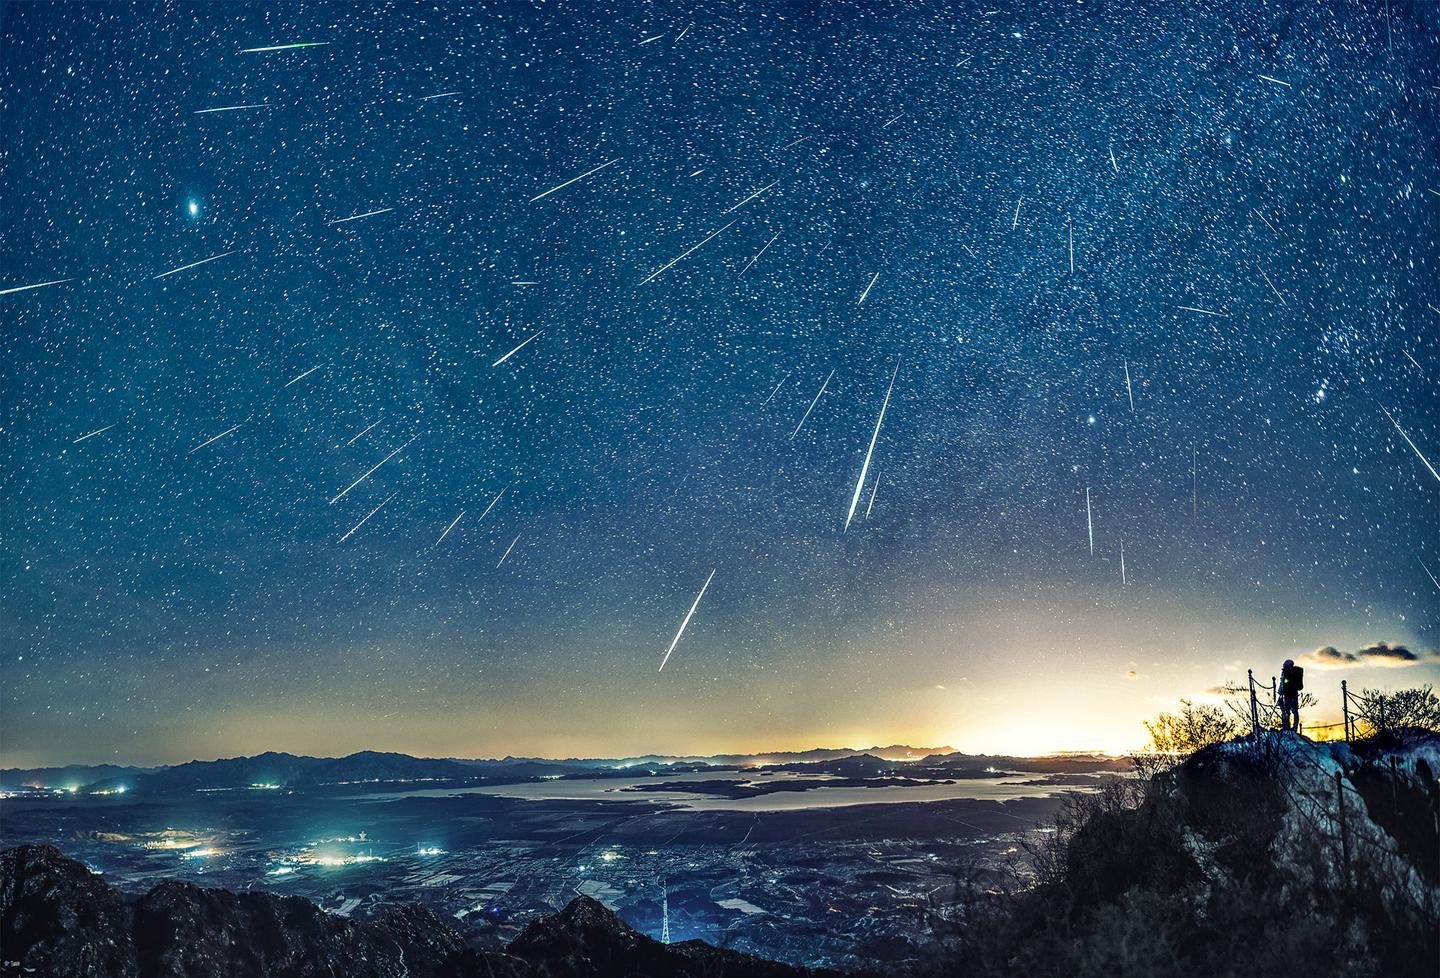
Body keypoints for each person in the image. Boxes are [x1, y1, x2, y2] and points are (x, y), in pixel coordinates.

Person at [1278, 659, 1304, 733]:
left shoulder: (1293, 672)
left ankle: (1293, 727)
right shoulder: (1285, 672)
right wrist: (1280, 691)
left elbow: (1284, 682)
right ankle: (1287, 726)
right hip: (1287, 694)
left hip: (1292, 694)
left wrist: (1281, 690)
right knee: (1288, 711)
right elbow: (1282, 682)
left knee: (1293, 710)